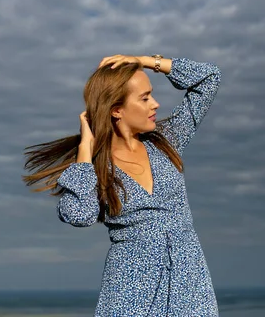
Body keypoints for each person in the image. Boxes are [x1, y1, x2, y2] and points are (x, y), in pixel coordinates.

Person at [23, 54, 221, 316]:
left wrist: (145, 61)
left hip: (189, 284)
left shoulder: (166, 142)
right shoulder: (95, 166)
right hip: (131, 288)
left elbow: (209, 78)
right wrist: (85, 150)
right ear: (117, 110)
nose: (156, 104)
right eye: (145, 98)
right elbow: (80, 215)